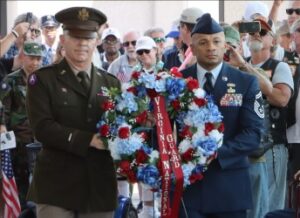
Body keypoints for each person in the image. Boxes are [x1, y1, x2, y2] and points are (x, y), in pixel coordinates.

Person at [25, 7, 120, 218]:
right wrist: (88, 140)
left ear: (97, 41)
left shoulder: (111, 83)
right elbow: (42, 128)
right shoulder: (42, 80)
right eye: (76, 37)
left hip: (99, 184)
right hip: (57, 185)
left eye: (89, 37)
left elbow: (119, 126)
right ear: (63, 39)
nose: (83, 43)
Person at [180, 13, 264, 218]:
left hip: (230, 189)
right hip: (188, 192)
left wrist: (214, 154)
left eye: (216, 41)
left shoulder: (246, 82)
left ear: (225, 44)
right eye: (203, 42)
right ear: (192, 45)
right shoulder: (178, 82)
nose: (211, 47)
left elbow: (253, 134)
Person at [0, 41, 45, 210]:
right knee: (20, 181)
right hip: (19, 140)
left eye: (38, 58)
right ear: (23, 57)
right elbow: (2, 108)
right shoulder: (10, 80)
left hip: (41, 139)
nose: (34, 62)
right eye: (31, 58)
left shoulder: (44, 80)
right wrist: (2, 128)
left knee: (42, 180)